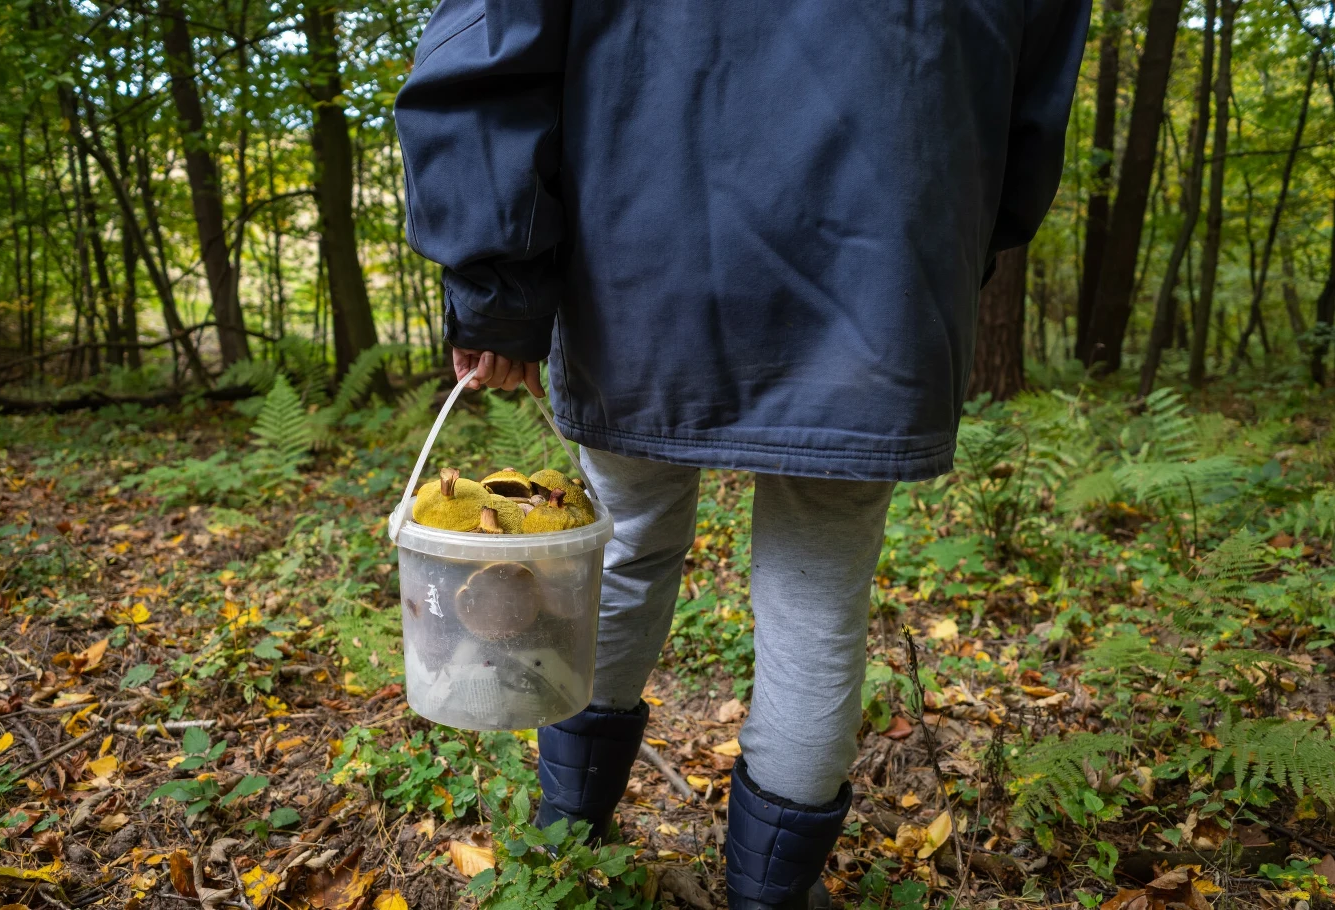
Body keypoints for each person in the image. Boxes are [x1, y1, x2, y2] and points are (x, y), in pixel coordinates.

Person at [395, 1, 1088, 906]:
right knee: (817, 594)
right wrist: (943, 246)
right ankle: (763, 895)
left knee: (623, 548)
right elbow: (1029, 104)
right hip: (877, 264)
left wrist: (498, 292)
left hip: (637, 258)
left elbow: (488, 56)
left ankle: (565, 853)